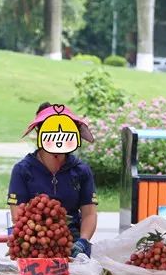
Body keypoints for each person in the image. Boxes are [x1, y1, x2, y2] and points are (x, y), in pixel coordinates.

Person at [7, 102, 98, 257]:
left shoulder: (81, 170)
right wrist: (42, 239)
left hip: (73, 242)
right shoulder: (22, 170)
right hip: (35, 243)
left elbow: (89, 213)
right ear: (40, 133)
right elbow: (18, 216)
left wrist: (83, 241)